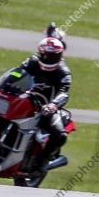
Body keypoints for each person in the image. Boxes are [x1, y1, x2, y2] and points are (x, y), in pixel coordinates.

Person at [22, 34, 72, 171]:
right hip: (25, 100)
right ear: (40, 53)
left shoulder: (63, 72)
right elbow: (16, 74)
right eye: (44, 55)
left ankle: (41, 163)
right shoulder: (32, 62)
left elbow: (64, 92)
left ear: (60, 55)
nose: (47, 59)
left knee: (60, 134)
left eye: (52, 56)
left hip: (46, 108)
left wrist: (53, 105)